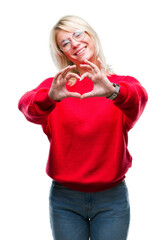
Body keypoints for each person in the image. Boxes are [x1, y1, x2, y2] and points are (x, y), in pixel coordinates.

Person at [18, 15, 148, 240]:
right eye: (65, 42)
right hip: (65, 200)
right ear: (62, 53)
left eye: (78, 34)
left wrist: (112, 91)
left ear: (91, 36)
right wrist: (49, 98)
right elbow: (26, 107)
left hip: (112, 199)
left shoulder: (122, 85)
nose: (75, 43)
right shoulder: (56, 89)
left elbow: (138, 99)